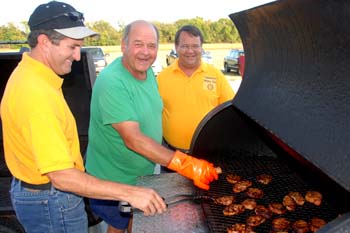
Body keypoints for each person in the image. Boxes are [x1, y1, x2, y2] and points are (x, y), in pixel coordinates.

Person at [0, 2, 166, 233]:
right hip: (51, 199)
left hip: (47, 195)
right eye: (72, 47)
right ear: (45, 42)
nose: (78, 56)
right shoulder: (35, 94)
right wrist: (131, 192)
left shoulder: (34, 76)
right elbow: (62, 176)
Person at [85, 20, 220, 233]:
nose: (145, 52)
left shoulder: (147, 73)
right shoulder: (112, 82)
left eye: (152, 45)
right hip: (114, 179)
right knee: (119, 227)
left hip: (141, 174)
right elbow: (133, 139)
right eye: (138, 44)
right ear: (123, 45)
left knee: (133, 224)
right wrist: (187, 165)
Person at [157, 25, 235, 152]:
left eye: (195, 46)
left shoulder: (215, 75)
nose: (190, 51)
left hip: (209, 152)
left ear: (201, 48)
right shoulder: (162, 78)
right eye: (185, 46)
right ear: (176, 47)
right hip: (173, 155)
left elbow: (231, 110)